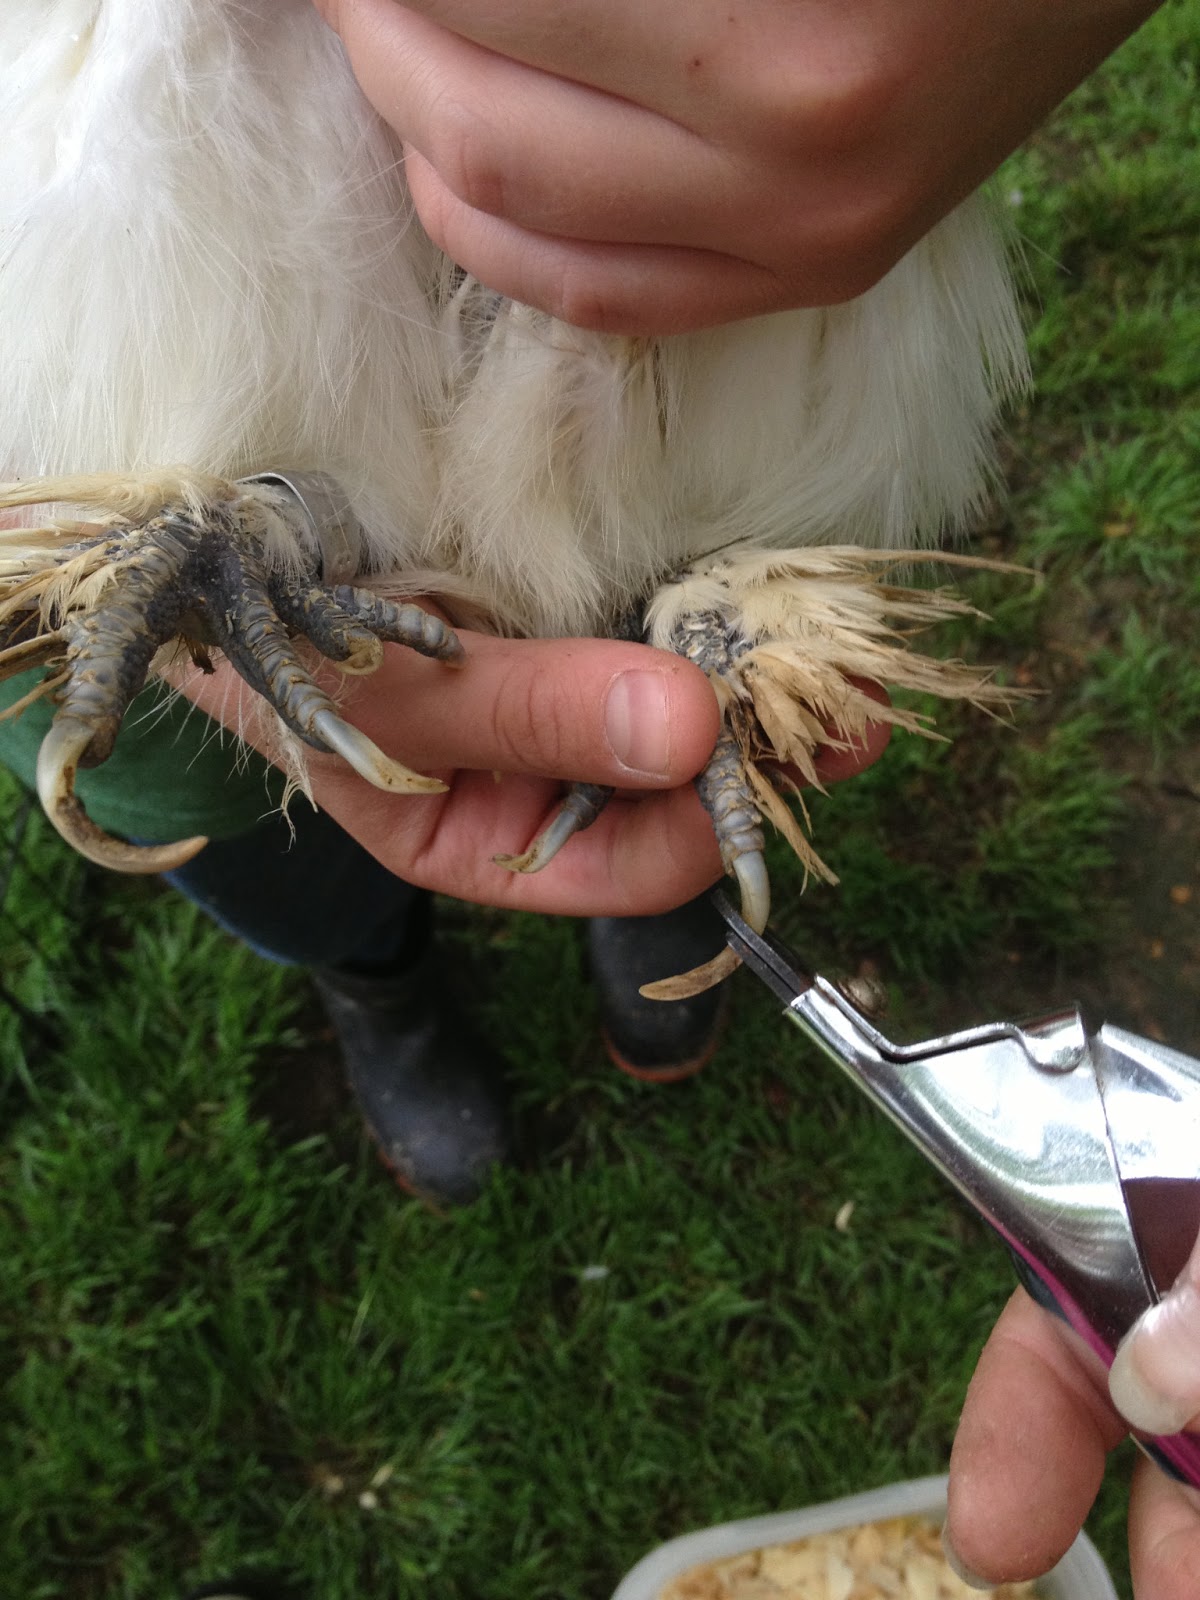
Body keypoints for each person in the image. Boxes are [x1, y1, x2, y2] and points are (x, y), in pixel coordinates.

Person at [293, 2, 1195, 1594]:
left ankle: (655, 896)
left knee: (693, 707)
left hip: (733, 328)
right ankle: (374, 975)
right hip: (182, 187)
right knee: (257, 774)